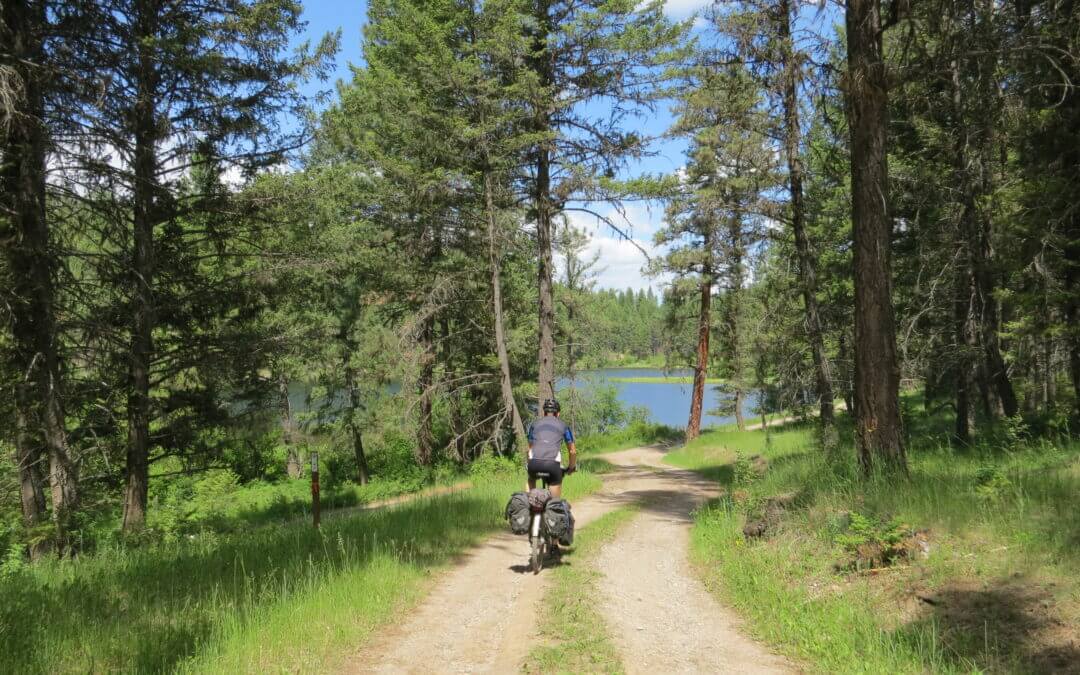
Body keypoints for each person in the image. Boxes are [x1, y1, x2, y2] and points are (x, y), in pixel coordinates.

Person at [526, 398, 576, 499]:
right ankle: (552, 508)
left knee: (531, 479)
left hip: (534, 465)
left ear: (544, 413)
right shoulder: (563, 426)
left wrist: (529, 464)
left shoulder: (534, 425)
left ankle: (528, 503)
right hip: (552, 466)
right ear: (558, 414)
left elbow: (529, 450)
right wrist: (571, 467)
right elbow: (572, 451)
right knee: (554, 503)